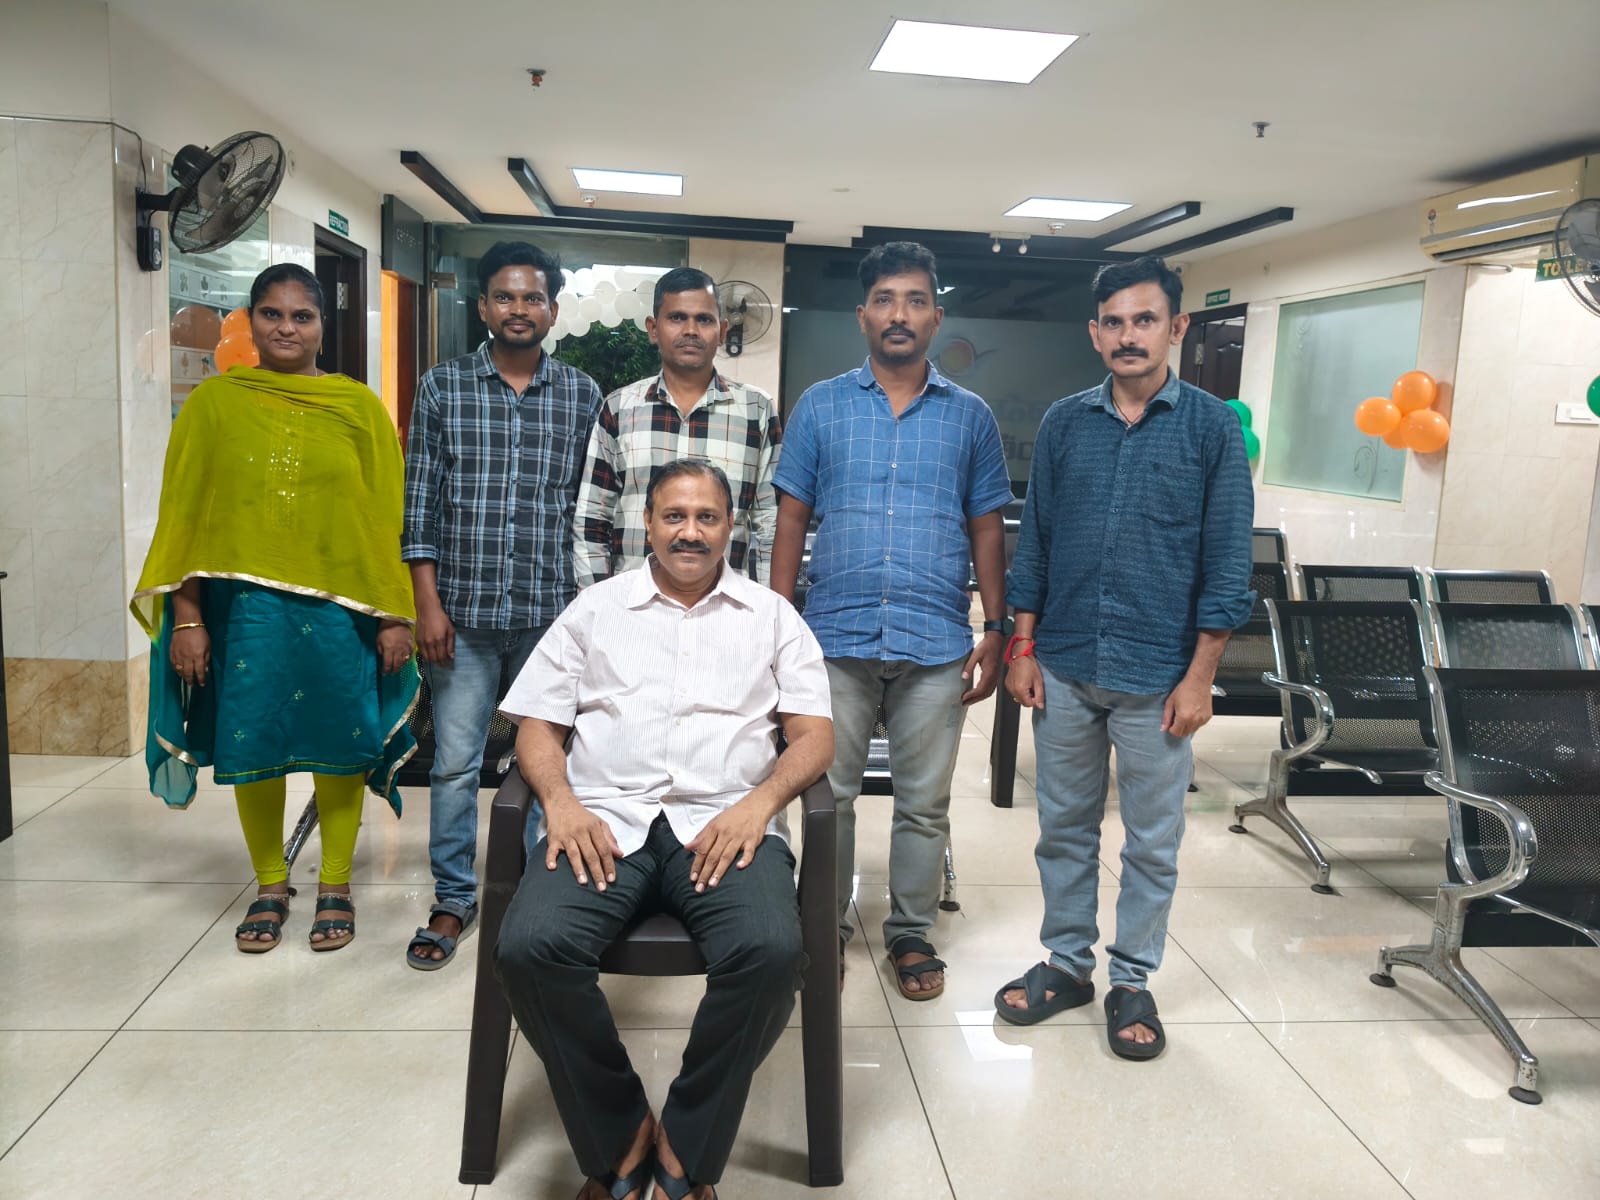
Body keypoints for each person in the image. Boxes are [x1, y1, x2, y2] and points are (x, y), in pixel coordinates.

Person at [494, 459, 833, 1200]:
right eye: (674, 516)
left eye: (707, 517)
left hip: (725, 822)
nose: (690, 532)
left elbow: (814, 736)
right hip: (603, 819)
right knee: (530, 947)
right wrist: (560, 802)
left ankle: (685, 1144)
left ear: (730, 527)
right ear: (646, 523)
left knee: (772, 952)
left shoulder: (773, 616)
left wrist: (761, 804)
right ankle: (620, 1135)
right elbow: (538, 727)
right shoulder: (595, 609)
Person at [994, 255, 1254, 1059]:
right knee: (1063, 829)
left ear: (1177, 328)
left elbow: (1228, 563)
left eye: (1145, 319)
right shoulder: (1066, 422)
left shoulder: (1212, 428)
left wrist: (1201, 677)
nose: (1128, 335)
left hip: (1160, 678)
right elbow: (1036, 544)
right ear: (1094, 332)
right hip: (1065, 664)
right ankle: (1067, 964)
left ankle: (1133, 978)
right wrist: (1022, 646)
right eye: (1114, 321)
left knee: (1150, 841)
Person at [132, 263, 418, 955]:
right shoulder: (214, 406)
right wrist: (189, 618)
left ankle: (336, 885)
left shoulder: (358, 409)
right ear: (250, 322)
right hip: (246, 612)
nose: (287, 328)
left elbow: (386, 518)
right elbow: (185, 520)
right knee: (252, 741)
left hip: (341, 613)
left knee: (340, 747)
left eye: (302, 316)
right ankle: (269, 884)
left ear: (323, 325)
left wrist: (393, 614)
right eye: (272, 314)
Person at [770, 241, 1012, 1001]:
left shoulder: (970, 416)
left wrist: (997, 628)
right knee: (829, 796)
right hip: (833, 637)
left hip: (935, 639)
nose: (899, 314)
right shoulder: (821, 406)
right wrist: (776, 624)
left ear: (936, 317)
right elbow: (790, 519)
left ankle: (911, 931)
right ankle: (825, 926)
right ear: (862, 314)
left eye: (914, 300)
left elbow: (986, 527)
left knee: (925, 802)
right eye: (885, 299)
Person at [402, 240, 603, 969]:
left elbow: (589, 508)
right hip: (462, 617)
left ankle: (536, 894)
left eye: (533, 297)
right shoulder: (443, 387)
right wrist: (427, 605)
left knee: (550, 763)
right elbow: (419, 505)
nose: (520, 309)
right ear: (484, 306)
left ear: (553, 309)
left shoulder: (582, 395)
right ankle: (454, 898)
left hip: (550, 618)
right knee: (456, 763)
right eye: (505, 297)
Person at [574, 267, 781, 588]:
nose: (691, 330)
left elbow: (770, 523)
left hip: (726, 607)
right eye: (677, 318)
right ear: (653, 329)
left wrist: (768, 606)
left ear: (723, 331)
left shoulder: (756, 410)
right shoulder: (619, 408)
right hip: (633, 606)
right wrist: (599, 604)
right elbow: (592, 520)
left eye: (704, 319)